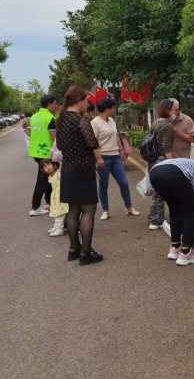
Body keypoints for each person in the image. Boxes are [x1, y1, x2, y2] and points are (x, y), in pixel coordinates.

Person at [56, 86, 104, 266]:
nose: (87, 104)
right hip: (83, 168)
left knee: (73, 210)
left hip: (68, 168)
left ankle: (73, 249)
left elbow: (60, 146)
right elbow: (92, 142)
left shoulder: (61, 120)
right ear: (78, 101)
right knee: (89, 210)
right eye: (86, 100)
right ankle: (86, 253)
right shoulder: (81, 120)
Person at [149, 157, 194, 266]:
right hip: (174, 173)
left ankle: (175, 247)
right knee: (191, 211)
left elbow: (188, 194)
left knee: (175, 209)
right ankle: (186, 252)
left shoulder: (193, 166)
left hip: (154, 173)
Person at [92, 97, 139, 220]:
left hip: (115, 156)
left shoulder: (112, 120)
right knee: (103, 185)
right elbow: (92, 142)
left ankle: (129, 207)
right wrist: (98, 158)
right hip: (103, 157)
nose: (114, 110)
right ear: (107, 109)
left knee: (124, 182)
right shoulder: (95, 122)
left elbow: (116, 136)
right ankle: (105, 210)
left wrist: (121, 151)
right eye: (113, 108)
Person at [148, 99, 175, 230]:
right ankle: (159, 220)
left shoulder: (155, 123)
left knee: (157, 191)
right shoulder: (168, 126)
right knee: (165, 191)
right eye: (174, 110)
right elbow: (166, 147)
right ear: (168, 111)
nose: (175, 112)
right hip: (162, 161)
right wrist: (173, 163)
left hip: (153, 160)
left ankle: (154, 217)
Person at [28, 95, 57, 216]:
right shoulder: (50, 118)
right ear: (49, 104)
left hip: (36, 152)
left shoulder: (34, 117)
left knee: (49, 177)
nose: (55, 106)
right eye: (55, 103)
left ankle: (48, 202)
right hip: (47, 153)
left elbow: (30, 132)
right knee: (42, 180)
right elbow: (54, 138)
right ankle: (35, 207)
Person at [39, 159, 69, 237]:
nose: (48, 167)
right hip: (56, 198)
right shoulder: (50, 176)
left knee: (60, 214)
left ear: (54, 165)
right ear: (43, 170)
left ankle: (59, 229)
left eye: (49, 165)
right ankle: (57, 227)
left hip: (62, 197)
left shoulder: (59, 174)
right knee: (57, 214)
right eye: (45, 167)